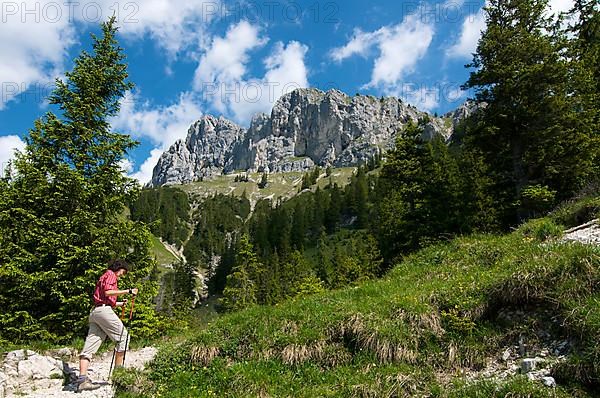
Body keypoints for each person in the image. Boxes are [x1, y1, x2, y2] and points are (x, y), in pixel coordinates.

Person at [77, 259, 138, 392]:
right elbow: (108, 292)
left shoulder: (103, 276)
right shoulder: (111, 274)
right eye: (123, 271)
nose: (123, 274)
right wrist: (128, 291)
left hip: (96, 312)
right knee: (123, 337)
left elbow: (104, 298)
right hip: (103, 311)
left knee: (90, 344)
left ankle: (82, 379)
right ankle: (118, 375)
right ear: (119, 268)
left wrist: (120, 303)